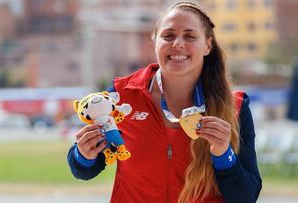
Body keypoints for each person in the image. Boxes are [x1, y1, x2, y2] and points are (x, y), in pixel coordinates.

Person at [67, 1, 262, 203]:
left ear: (207, 45)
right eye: (168, 36)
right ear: (155, 41)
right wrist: (83, 154)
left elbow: (246, 196)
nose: (177, 43)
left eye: (190, 36)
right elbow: (83, 170)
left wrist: (223, 154)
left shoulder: (235, 106)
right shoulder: (123, 95)